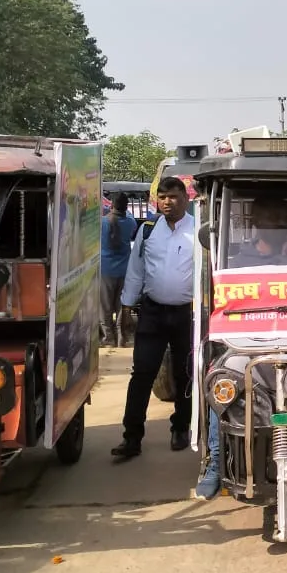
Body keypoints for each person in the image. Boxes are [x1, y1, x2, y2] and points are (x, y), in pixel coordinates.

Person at [196, 196, 287, 499]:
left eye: (281, 219)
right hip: (252, 344)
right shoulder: (239, 259)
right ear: (256, 224)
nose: (276, 225)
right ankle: (215, 461)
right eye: (269, 219)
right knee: (222, 380)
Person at [111, 176, 196, 461]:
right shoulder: (147, 231)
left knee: (185, 374)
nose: (167, 202)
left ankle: (181, 428)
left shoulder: (198, 232)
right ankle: (131, 438)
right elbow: (135, 271)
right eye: (162, 197)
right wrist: (125, 308)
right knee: (142, 374)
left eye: (172, 196)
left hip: (187, 314)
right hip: (153, 312)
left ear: (185, 198)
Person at [100, 193, 138, 347]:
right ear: (126, 206)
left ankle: (108, 339)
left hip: (105, 269)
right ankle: (122, 336)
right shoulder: (130, 222)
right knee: (122, 305)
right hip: (124, 269)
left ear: (111, 205)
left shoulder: (102, 222)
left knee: (105, 307)